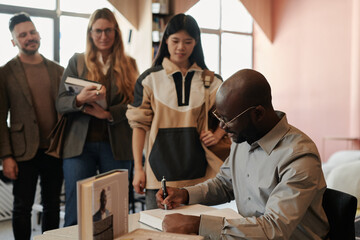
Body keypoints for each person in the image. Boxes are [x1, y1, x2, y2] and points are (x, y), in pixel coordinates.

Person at [156, 69, 330, 239]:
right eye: (219, 117)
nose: (222, 127)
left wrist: (197, 225)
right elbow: (224, 184)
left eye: (228, 119)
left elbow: (274, 228)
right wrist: (184, 194)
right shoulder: (244, 138)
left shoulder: (299, 156)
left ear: (258, 113)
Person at [126, 13, 226, 209]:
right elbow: (139, 126)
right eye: (176, 41)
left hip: (200, 175)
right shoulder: (149, 79)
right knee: (156, 232)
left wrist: (217, 134)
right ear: (166, 41)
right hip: (158, 175)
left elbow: (231, 114)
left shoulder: (212, 80)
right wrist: (138, 169)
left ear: (196, 43)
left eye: (188, 41)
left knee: (198, 232)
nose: (181, 47)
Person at [57, 8, 138, 226]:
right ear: (90, 33)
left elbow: (136, 104)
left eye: (108, 31)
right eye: (98, 31)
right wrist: (79, 99)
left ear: (116, 32)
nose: (103, 36)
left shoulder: (129, 64)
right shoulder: (77, 61)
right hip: (79, 147)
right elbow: (61, 102)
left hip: (117, 145)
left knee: (115, 209)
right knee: (76, 209)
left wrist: (109, 113)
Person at [0, 12, 64, 240]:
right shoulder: (5, 73)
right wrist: (6, 156)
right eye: (23, 34)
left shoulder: (58, 70)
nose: (30, 37)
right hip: (22, 152)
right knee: (21, 208)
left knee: (52, 206)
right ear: (13, 41)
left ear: (38, 34)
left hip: (54, 150)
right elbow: (0, 118)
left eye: (33, 32)